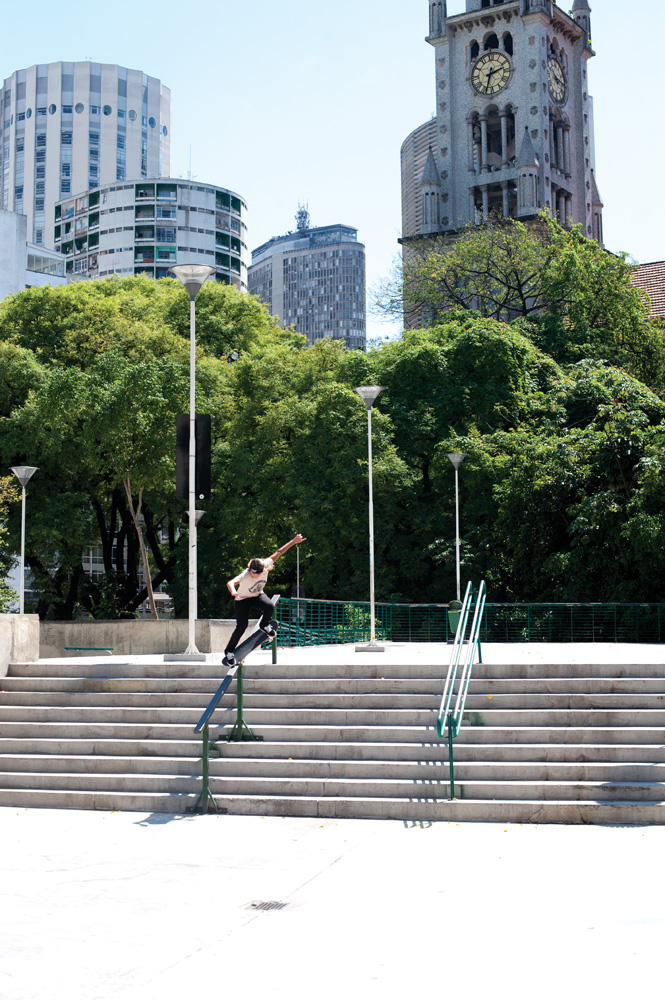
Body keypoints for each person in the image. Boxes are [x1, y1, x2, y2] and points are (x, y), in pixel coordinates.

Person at [223, 534, 306, 666]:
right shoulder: (244, 575)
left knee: (269, 606)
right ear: (249, 570)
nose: (256, 576)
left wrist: (294, 541)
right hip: (242, 600)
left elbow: (279, 551)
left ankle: (264, 625)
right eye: (254, 574)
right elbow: (230, 582)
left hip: (257, 596)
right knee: (241, 627)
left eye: (259, 574)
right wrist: (233, 591)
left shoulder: (266, 564)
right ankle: (229, 652)